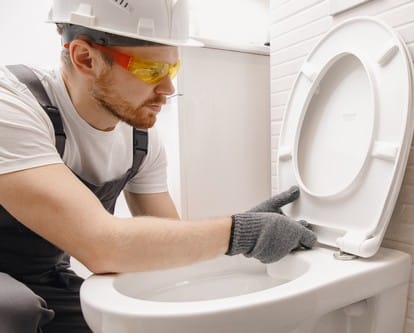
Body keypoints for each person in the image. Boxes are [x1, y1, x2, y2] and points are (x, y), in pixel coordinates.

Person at [0, 0, 316, 332]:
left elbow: (168, 247)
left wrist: (244, 228)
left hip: (45, 276)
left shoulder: (141, 142)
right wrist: (241, 232)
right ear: (85, 58)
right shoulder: (14, 106)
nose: (168, 89)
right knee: (15, 309)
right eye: (150, 71)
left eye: (173, 70)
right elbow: (101, 245)